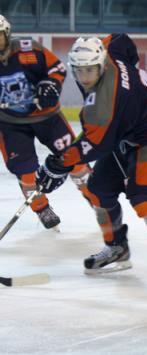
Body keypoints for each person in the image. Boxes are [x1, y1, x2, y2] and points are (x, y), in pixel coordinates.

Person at [35, 34, 147, 292]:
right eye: (80, 71)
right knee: (99, 190)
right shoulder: (109, 50)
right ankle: (116, 247)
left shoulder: (105, 103)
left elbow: (95, 145)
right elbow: (122, 40)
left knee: (143, 198)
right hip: (125, 134)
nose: (85, 77)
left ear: (100, 65)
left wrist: (58, 164)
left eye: (91, 70)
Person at [0, 14, 91, 229]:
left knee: (74, 159)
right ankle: (41, 208)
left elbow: (57, 69)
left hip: (47, 117)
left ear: (7, 34)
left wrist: (50, 84)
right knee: (26, 171)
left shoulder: (29, 50)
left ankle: (95, 198)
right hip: (9, 123)